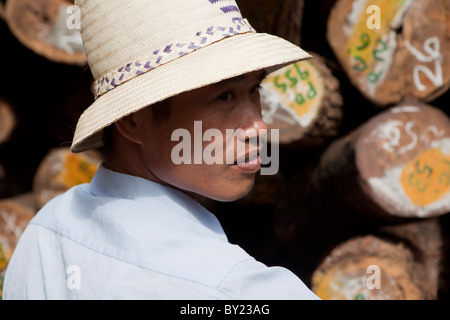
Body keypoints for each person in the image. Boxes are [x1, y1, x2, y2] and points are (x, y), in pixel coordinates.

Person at [3, 0, 319, 299]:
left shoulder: (48, 233)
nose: (259, 128)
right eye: (224, 97)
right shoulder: (233, 287)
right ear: (132, 121)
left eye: (254, 90)